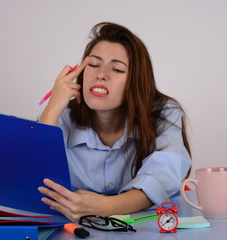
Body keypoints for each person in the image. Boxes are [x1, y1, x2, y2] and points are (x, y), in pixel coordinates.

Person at [37, 22, 192, 222]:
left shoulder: (164, 113)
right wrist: (50, 111)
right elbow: (34, 180)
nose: (100, 74)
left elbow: (162, 177)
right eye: (93, 64)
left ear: (135, 82)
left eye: (117, 69)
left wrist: (104, 206)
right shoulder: (62, 116)